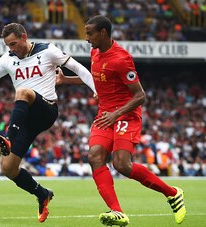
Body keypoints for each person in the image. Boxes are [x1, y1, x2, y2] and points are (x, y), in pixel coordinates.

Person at [0, 22, 96, 222]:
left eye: (14, 44)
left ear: (24, 37)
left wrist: (96, 88)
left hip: (46, 110)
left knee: (23, 91)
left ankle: (8, 138)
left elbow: (78, 68)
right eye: (8, 46)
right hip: (26, 119)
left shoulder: (48, 50)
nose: (12, 49)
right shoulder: (8, 59)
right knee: (7, 167)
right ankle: (42, 194)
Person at [56, 15, 186, 226]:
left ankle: (172, 193)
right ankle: (117, 212)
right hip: (105, 114)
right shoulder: (95, 52)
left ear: (103, 33)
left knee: (122, 165)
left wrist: (116, 114)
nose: (86, 38)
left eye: (89, 33)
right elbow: (97, 79)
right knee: (94, 156)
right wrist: (65, 80)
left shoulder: (121, 59)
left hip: (125, 115)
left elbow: (140, 95)